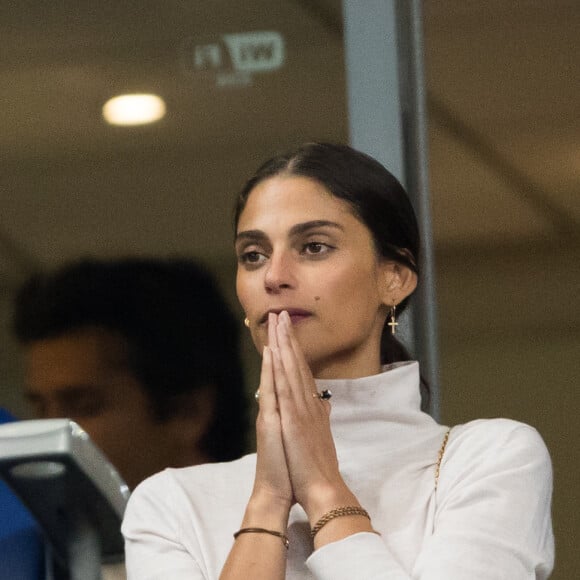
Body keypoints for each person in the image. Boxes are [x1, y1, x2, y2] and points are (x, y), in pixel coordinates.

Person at [122, 143, 554, 579]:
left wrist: (324, 490)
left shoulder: (490, 460)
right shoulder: (170, 503)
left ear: (394, 278)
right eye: (253, 255)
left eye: (313, 247)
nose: (273, 276)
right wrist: (268, 500)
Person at [12, 257, 248, 490]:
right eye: (40, 410)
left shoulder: (271, 526)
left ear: (187, 412)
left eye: (83, 407)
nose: (47, 440)